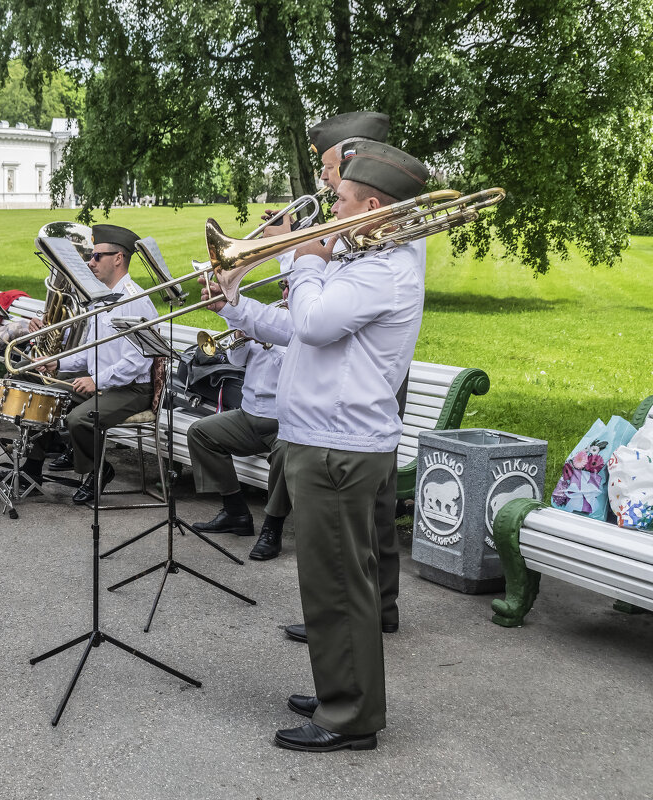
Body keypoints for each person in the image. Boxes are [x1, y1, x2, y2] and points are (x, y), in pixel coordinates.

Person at [214, 141, 428, 752]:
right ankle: (344, 685)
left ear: (373, 204)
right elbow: (299, 334)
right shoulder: (363, 257)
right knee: (333, 580)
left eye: (338, 200)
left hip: (339, 444)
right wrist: (235, 303)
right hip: (325, 435)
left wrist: (304, 257)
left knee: (336, 584)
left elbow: (312, 320)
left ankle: (349, 714)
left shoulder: (382, 268)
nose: (329, 210)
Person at [272, 111, 405, 644]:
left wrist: (299, 254)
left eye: (330, 171)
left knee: (357, 540)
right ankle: (356, 625)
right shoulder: (369, 234)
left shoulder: (387, 244)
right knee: (351, 545)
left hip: (352, 409)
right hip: (338, 403)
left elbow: (318, 315)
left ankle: (366, 623)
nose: (326, 185)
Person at [30, 224, 158, 505]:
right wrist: (57, 363)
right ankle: (32, 466)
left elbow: (137, 362)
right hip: (109, 381)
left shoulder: (134, 300)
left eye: (97, 256)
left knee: (78, 419)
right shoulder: (100, 298)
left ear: (118, 258)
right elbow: (89, 351)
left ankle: (99, 471)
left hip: (133, 390)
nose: (90, 262)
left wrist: (96, 381)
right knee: (44, 393)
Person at [186, 285, 292, 559]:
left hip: (286, 422)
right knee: (200, 433)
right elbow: (235, 359)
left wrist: (268, 340)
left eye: (292, 289)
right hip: (249, 414)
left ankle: (273, 526)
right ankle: (235, 512)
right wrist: (243, 337)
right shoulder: (263, 320)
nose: (284, 295)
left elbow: (293, 368)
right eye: (284, 288)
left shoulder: (306, 331)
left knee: (286, 455)